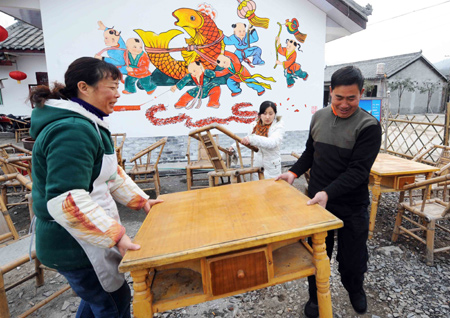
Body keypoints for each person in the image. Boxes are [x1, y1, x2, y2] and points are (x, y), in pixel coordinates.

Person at [29, 57, 162, 318]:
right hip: (74, 242)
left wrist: (141, 200)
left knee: (99, 298)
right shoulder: (72, 130)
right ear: (84, 87)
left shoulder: (87, 122)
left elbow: (109, 174)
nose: (117, 94)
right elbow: (66, 199)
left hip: (87, 235)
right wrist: (116, 236)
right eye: (111, 87)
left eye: (118, 87)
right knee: (111, 300)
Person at [276, 66, 381, 317]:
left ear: (361, 93)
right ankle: (315, 299)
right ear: (330, 92)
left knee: (352, 261)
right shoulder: (319, 117)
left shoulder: (369, 126)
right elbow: (311, 152)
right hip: (317, 202)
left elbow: (358, 172)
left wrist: (328, 192)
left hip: (351, 206)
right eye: (339, 97)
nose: (344, 104)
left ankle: (355, 290)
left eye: (351, 98)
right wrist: (293, 173)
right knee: (316, 255)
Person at [229, 101, 284, 179]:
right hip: (257, 165)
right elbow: (247, 139)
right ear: (260, 114)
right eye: (264, 114)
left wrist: (252, 139)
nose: (267, 117)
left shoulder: (278, 127)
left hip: (272, 166)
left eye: (271, 114)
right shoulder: (254, 126)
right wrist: (233, 147)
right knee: (258, 189)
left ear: (275, 114)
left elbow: (272, 143)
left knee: (273, 189)